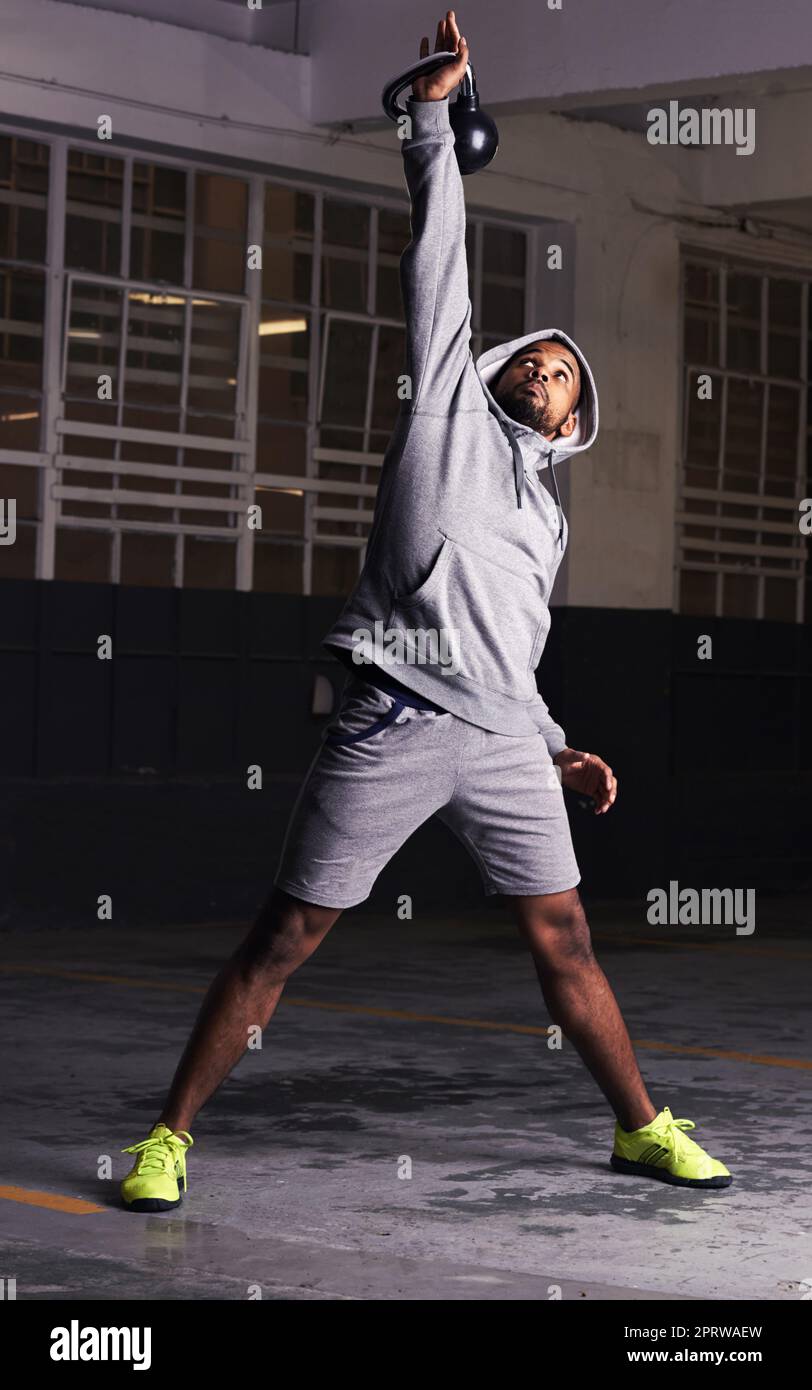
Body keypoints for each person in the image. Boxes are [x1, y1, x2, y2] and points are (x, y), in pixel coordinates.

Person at [120, 10, 731, 1212]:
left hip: (503, 736)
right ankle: (166, 1138)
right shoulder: (445, 412)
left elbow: (517, 644)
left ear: (568, 424)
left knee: (565, 942)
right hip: (392, 722)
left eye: (562, 375)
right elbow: (436, 255)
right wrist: (430, 117)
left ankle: (639, 1128)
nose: (542, 369)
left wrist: (550, 749)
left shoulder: (547, 520)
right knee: (284, 939)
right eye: (533, 357)